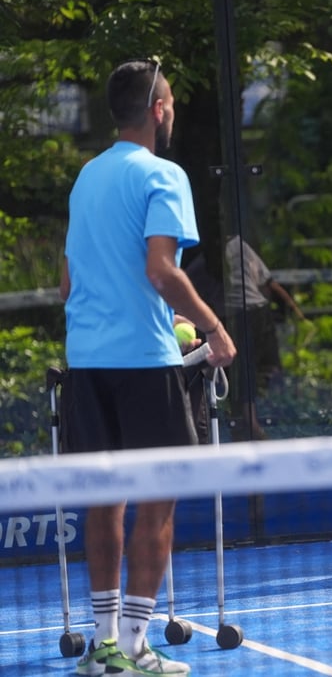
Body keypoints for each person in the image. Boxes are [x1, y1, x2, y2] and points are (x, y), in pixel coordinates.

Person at [59, 59, 236, 676]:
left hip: (86, 362)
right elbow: (161, 271)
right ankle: (134, 645)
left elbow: (67, 281)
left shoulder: (86, 178)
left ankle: (103, 644)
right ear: (160, 109)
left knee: (104, 503)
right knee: (158, 500)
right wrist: (213, 328)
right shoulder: (163, 174)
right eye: (172, 102)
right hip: (143, 363)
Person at [222, 234, 307, 439]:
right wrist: (295, 309)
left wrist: (294, 308)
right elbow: (270, 282)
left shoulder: (235, 246)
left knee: (250, 370)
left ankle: (253, 419)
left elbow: (269, 282)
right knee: (248, 370)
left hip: (248, 313)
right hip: (249, 312)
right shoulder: (234, 247)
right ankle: (249, 419)